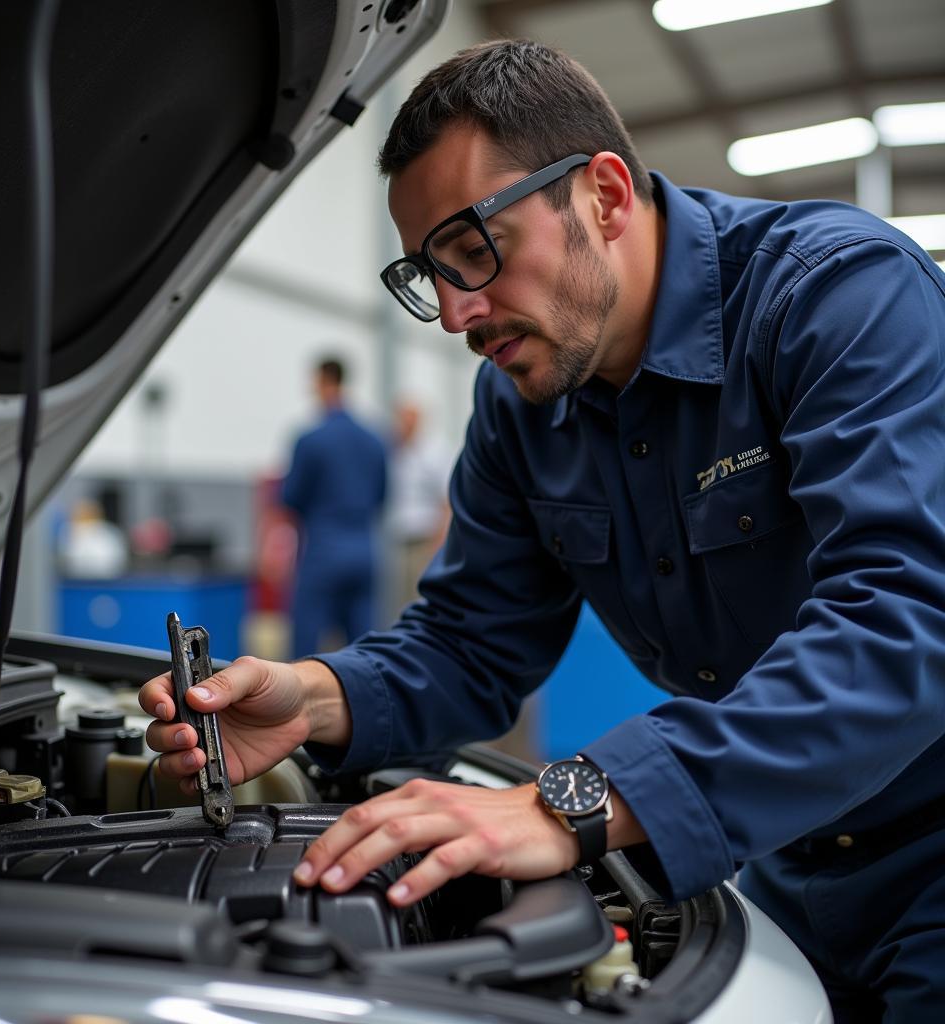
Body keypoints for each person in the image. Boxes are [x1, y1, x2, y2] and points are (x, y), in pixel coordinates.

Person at [141, 41, 945, 1020]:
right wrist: (313, 697)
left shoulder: (836, 297)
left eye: (473, 250)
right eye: (425, 274)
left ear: (603, 195)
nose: (452, 313)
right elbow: (471, 639)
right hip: (783, 857)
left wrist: (576, 799)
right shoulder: (521, 405)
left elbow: (907, 617)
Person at [280, 356, 387, 657]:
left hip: (323, 549)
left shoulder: (311, 439)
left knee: (306, 644)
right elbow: (381, 496)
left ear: (323, 381)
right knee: (363, 648)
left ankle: (299, 704)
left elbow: (291, 497)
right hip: (365, 549)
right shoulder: (375, 439)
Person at [386, 400, 453, 612]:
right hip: (397, 540)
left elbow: (446, 499)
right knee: (398, 603)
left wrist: (440, 540)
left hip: (424, 540)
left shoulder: (434, 452)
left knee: (422, 600)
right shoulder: (393, 453)